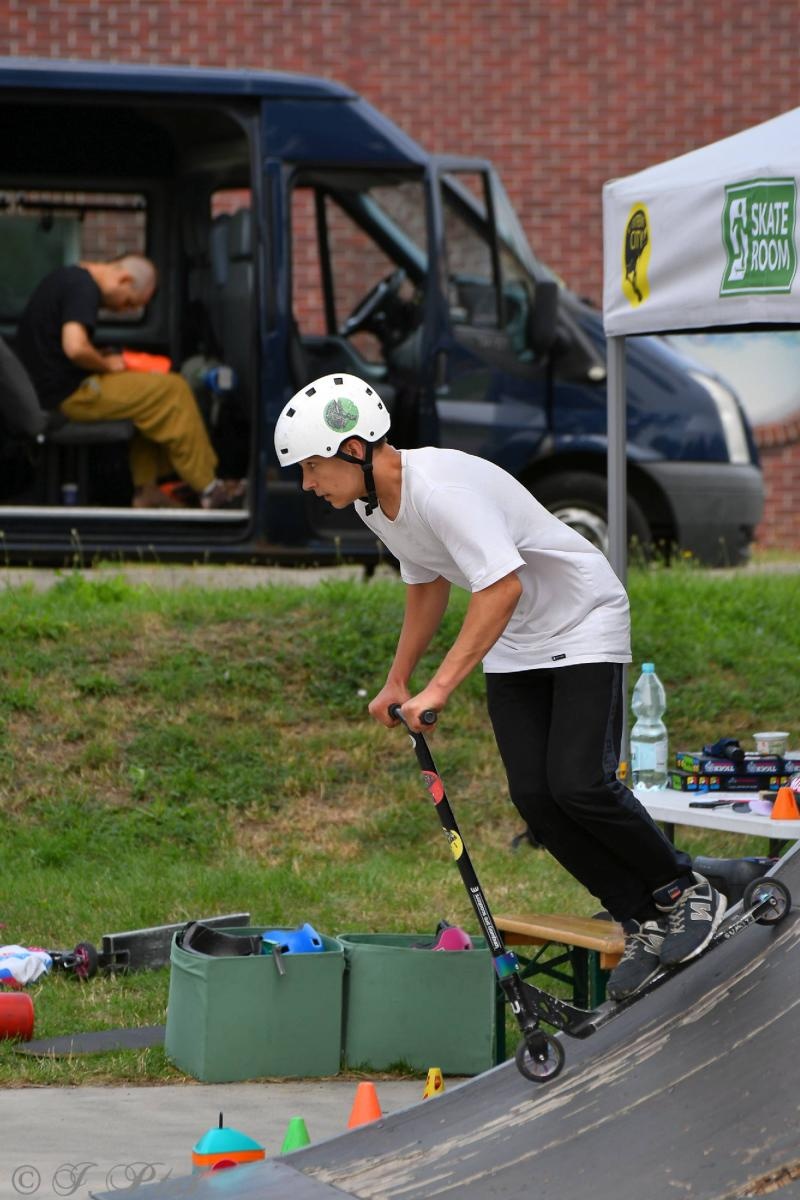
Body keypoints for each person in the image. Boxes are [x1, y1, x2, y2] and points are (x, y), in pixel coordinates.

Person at [274, 372, 728, 1000]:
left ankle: (685, 890)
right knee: (537, 800)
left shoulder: (442, 488)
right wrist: (398, 678)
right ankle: (642, 917)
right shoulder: (373, 503)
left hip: (579, 616)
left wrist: (438, 688)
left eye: (311, 467)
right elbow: (427, 582)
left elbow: (502, 585)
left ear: (353, 449)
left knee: (580, 783)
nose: (307, 484)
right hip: (515, 636)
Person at [15, 255, 243, 508]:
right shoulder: (83, 286)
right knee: (172, 390)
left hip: (52, 389)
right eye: (128, 303)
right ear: (124, 279)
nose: (123, 309)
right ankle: (209, 488)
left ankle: (147, 490)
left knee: (149, 401)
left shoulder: (69, 279)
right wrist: (107, 364)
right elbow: (75, 348)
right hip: (67, 395)